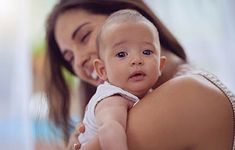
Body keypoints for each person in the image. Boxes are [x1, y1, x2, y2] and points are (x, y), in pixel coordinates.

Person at [44, 0, 235, 150]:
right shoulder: (130, 102)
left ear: (125, 16)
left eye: (84, 36)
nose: (78, 62)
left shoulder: (187, 93)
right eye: (69, 58)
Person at [78, 9, 166, 150]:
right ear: (102, 70)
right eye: (121, 54)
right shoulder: (112, 98)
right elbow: (110, 129)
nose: (137, 60)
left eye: (147, 52)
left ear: (160, 65)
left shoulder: (156, 93)